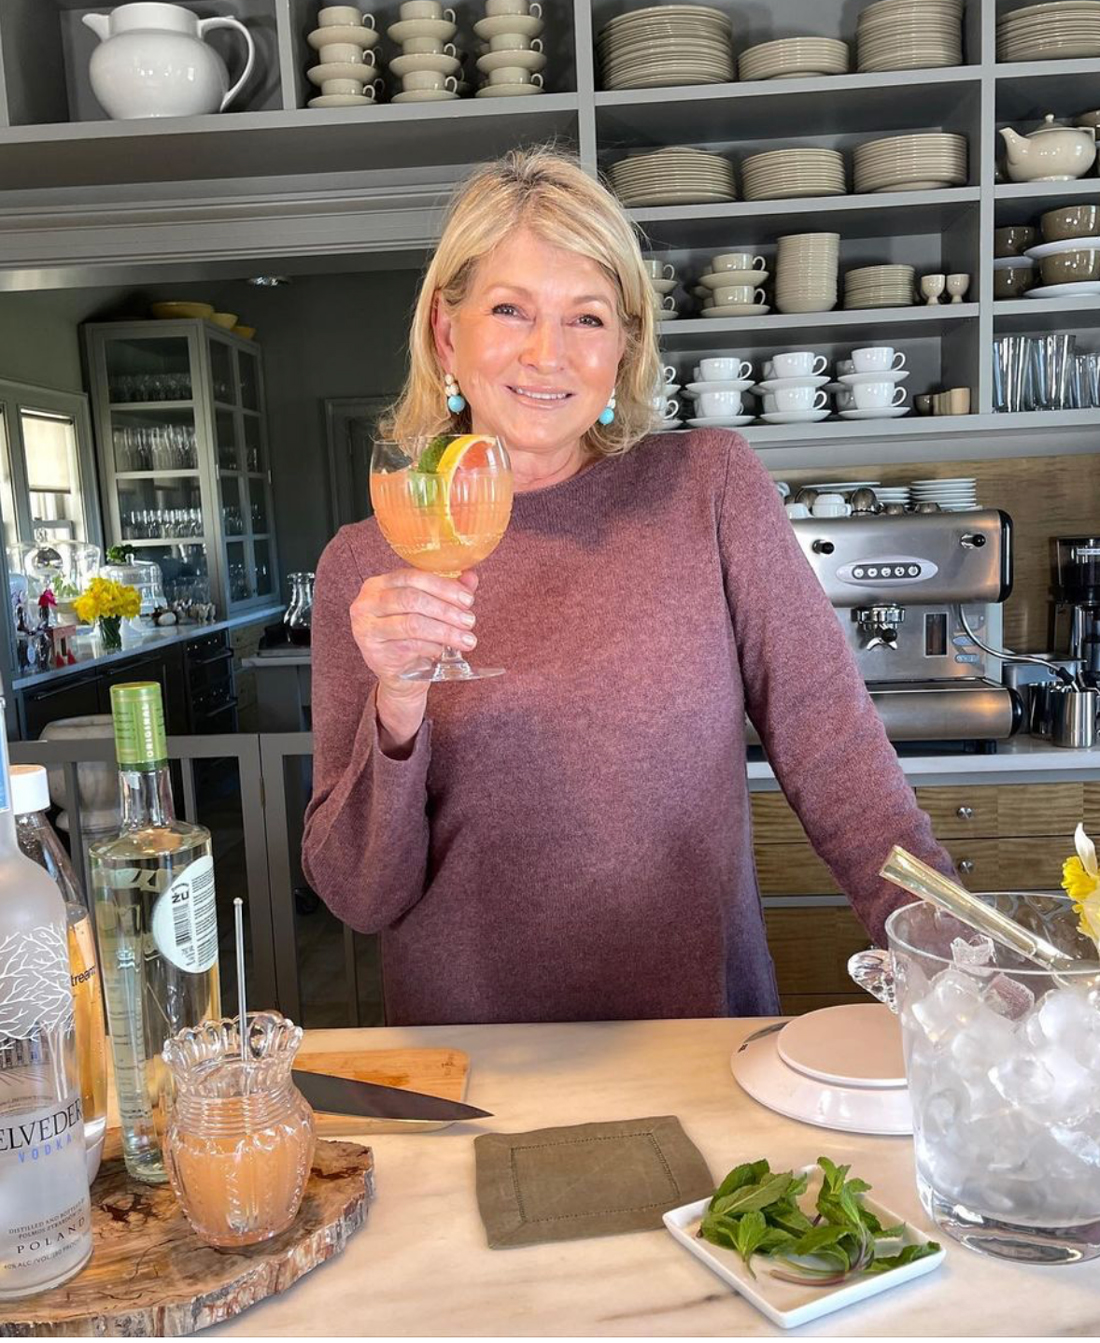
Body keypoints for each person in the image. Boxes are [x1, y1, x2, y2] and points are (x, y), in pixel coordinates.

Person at [302, 146, 954, 1027]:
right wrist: (397, 709)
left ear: (624, 347)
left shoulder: (709, 488)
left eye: (587, 318)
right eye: (509, 309)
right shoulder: (366, 562)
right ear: (446, 333)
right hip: (477, 1066)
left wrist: (949, 951)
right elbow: (360, 896)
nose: (548, 353)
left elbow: (835, 748)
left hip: (693, 1043)